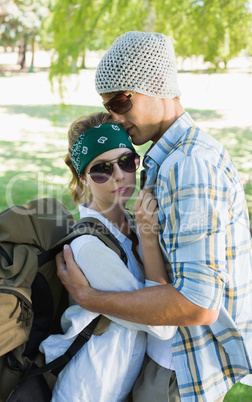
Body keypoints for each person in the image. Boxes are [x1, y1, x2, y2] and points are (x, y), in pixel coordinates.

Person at [56, 32, 252, 401]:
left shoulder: (189, 166)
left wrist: (89, 298)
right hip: (169, 362)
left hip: (181, 370)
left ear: (154, 86)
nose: (115, 118)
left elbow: (198, 305)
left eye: (120, 102)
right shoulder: (168, 158)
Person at [40, 112, 177, 402]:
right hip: (88, 391)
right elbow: (163, 325)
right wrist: (149, 239)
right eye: (101, 169)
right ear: (83, 178)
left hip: (118, 388)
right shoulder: (89, 245)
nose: (119, 176)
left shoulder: (133, 222)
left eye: (126, 162)